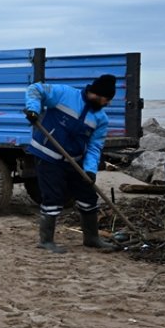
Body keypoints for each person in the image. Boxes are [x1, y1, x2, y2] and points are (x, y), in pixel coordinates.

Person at [23, 74, 118, 254]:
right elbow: (35, 89)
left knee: (88, 197)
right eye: (103, 99)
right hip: (47, 155)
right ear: (94, 93)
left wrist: (90, 170)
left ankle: (91, 238)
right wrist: (33, 109)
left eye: (106, 101)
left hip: (74, 161)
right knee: (54, 196)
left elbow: (94, 146)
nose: (104, 104)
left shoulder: (101, 119)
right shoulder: (64, 94)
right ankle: (46, 241)